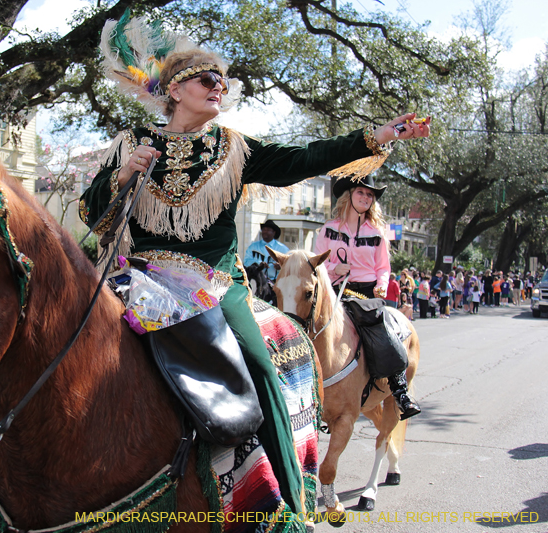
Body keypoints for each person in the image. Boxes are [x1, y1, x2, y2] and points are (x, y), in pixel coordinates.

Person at [81, 13, 429, 517]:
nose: (219, 87)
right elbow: (93, 216)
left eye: (223, 80)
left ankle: (288, 504)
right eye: (207, 79)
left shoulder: (235, 148)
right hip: (140, 280)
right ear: (174, 90)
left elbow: (304, 158)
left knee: (262, 368)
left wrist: (374, 136)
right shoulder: (134, 141)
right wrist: (123, 176)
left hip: (215, 285)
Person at [314, 174, 421, 420]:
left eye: (369, 195)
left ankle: (400, 391)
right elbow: (317, 262)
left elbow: (383, 267)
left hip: (365, 293)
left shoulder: (378, 232)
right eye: (361, 192)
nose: (365, 197)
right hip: (333, 292)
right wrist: (333, 269)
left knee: (383, 334)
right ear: (349, 195)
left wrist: (382, 285)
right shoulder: (329, 229)